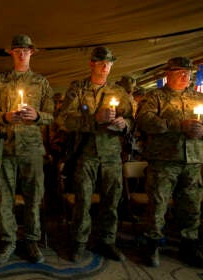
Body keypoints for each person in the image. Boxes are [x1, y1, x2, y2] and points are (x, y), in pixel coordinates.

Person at [57, 46, 133, 263]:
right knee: (83, 200)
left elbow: (131, 120)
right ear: (91, 64)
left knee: (111, 200)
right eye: (101, 63)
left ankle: (107, 241)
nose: (105, 67)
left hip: (111, 155)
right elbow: (63, 120)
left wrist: (124, 124)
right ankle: (79, 242)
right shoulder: (77, 89)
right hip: (85, 155)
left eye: (109, 63)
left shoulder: (118, 91)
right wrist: (93, 120)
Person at [0, 34, 54, 264]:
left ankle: (32, 240)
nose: (21, 53)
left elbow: (52, 116)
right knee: (5, 197)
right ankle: (8, 240)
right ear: (11, 53)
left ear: (32, 52)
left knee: (33, 197)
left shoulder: (42, 83)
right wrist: (4, 116)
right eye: (17, 50)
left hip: (32, 149)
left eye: (25, 50)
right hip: (6, 147)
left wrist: (37, 116)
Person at [136, 57, 203, 267]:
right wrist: (177, 125)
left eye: (188, 72)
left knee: (191, 206)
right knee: (158, 205)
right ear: (169, 74)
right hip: (164, 161)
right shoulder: (155, 96)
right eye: (180, 72)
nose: (185, 76)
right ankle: (152, 245)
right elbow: (145, 121)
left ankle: (188, 246)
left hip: (192, 161)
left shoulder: (198, 97)